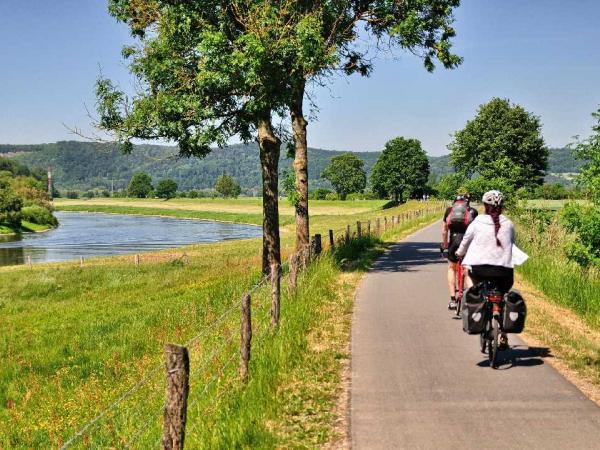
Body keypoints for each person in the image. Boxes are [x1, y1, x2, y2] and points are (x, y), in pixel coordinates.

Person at [455, 190, 515, 349]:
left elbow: (466, 241)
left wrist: (459, 253)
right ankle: (503, 332)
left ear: (485, 206)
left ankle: (477, 303)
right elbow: (512, 245)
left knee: (470, 277)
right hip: (504, 271)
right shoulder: (509, 223)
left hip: (480, 270)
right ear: (501, 206)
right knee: (502, 294)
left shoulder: (478, 222)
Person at [441, 193, 478, 310]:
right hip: (467, 242)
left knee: (451, 268)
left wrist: (445, 244)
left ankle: (453, 299)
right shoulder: (473, 212)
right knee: (468, 270)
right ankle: (472, 299)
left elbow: (444, 230)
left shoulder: (449, 211)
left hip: (454, 241)